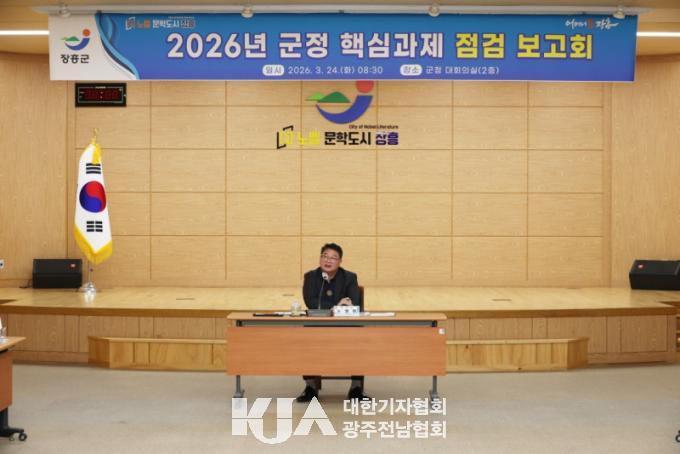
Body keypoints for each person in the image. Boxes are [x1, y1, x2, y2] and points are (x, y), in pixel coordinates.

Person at [296, 243, 369, 402]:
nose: (328, 260)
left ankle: (356, 388)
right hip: (317, 325)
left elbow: (353, 303)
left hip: (345, 325)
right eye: (325, 256)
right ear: (320, 258)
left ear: (340, 261)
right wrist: (337, 305)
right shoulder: (311, 277)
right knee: (304, 337)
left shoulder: (349, 277)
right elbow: (311, 303)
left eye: (333, 257)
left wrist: (334, 307)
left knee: (360, 337)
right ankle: (310, 387)